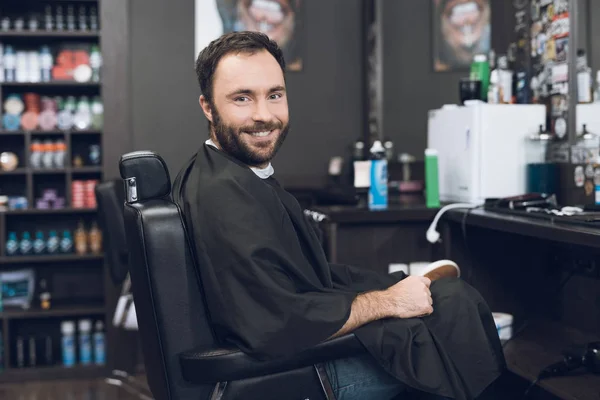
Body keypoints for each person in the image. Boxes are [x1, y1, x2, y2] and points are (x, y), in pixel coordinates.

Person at [172, 31, 505, 400]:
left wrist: (395, 281)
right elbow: (274, 321)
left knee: (448, 301)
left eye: (275, 95)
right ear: (208, 106)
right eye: (242, 98)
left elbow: (303, 278)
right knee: (453, 315)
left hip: (295, 349)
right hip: (300, 370)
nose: (263, 115)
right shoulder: (223, 194)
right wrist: (390, 300)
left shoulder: (232, 175)